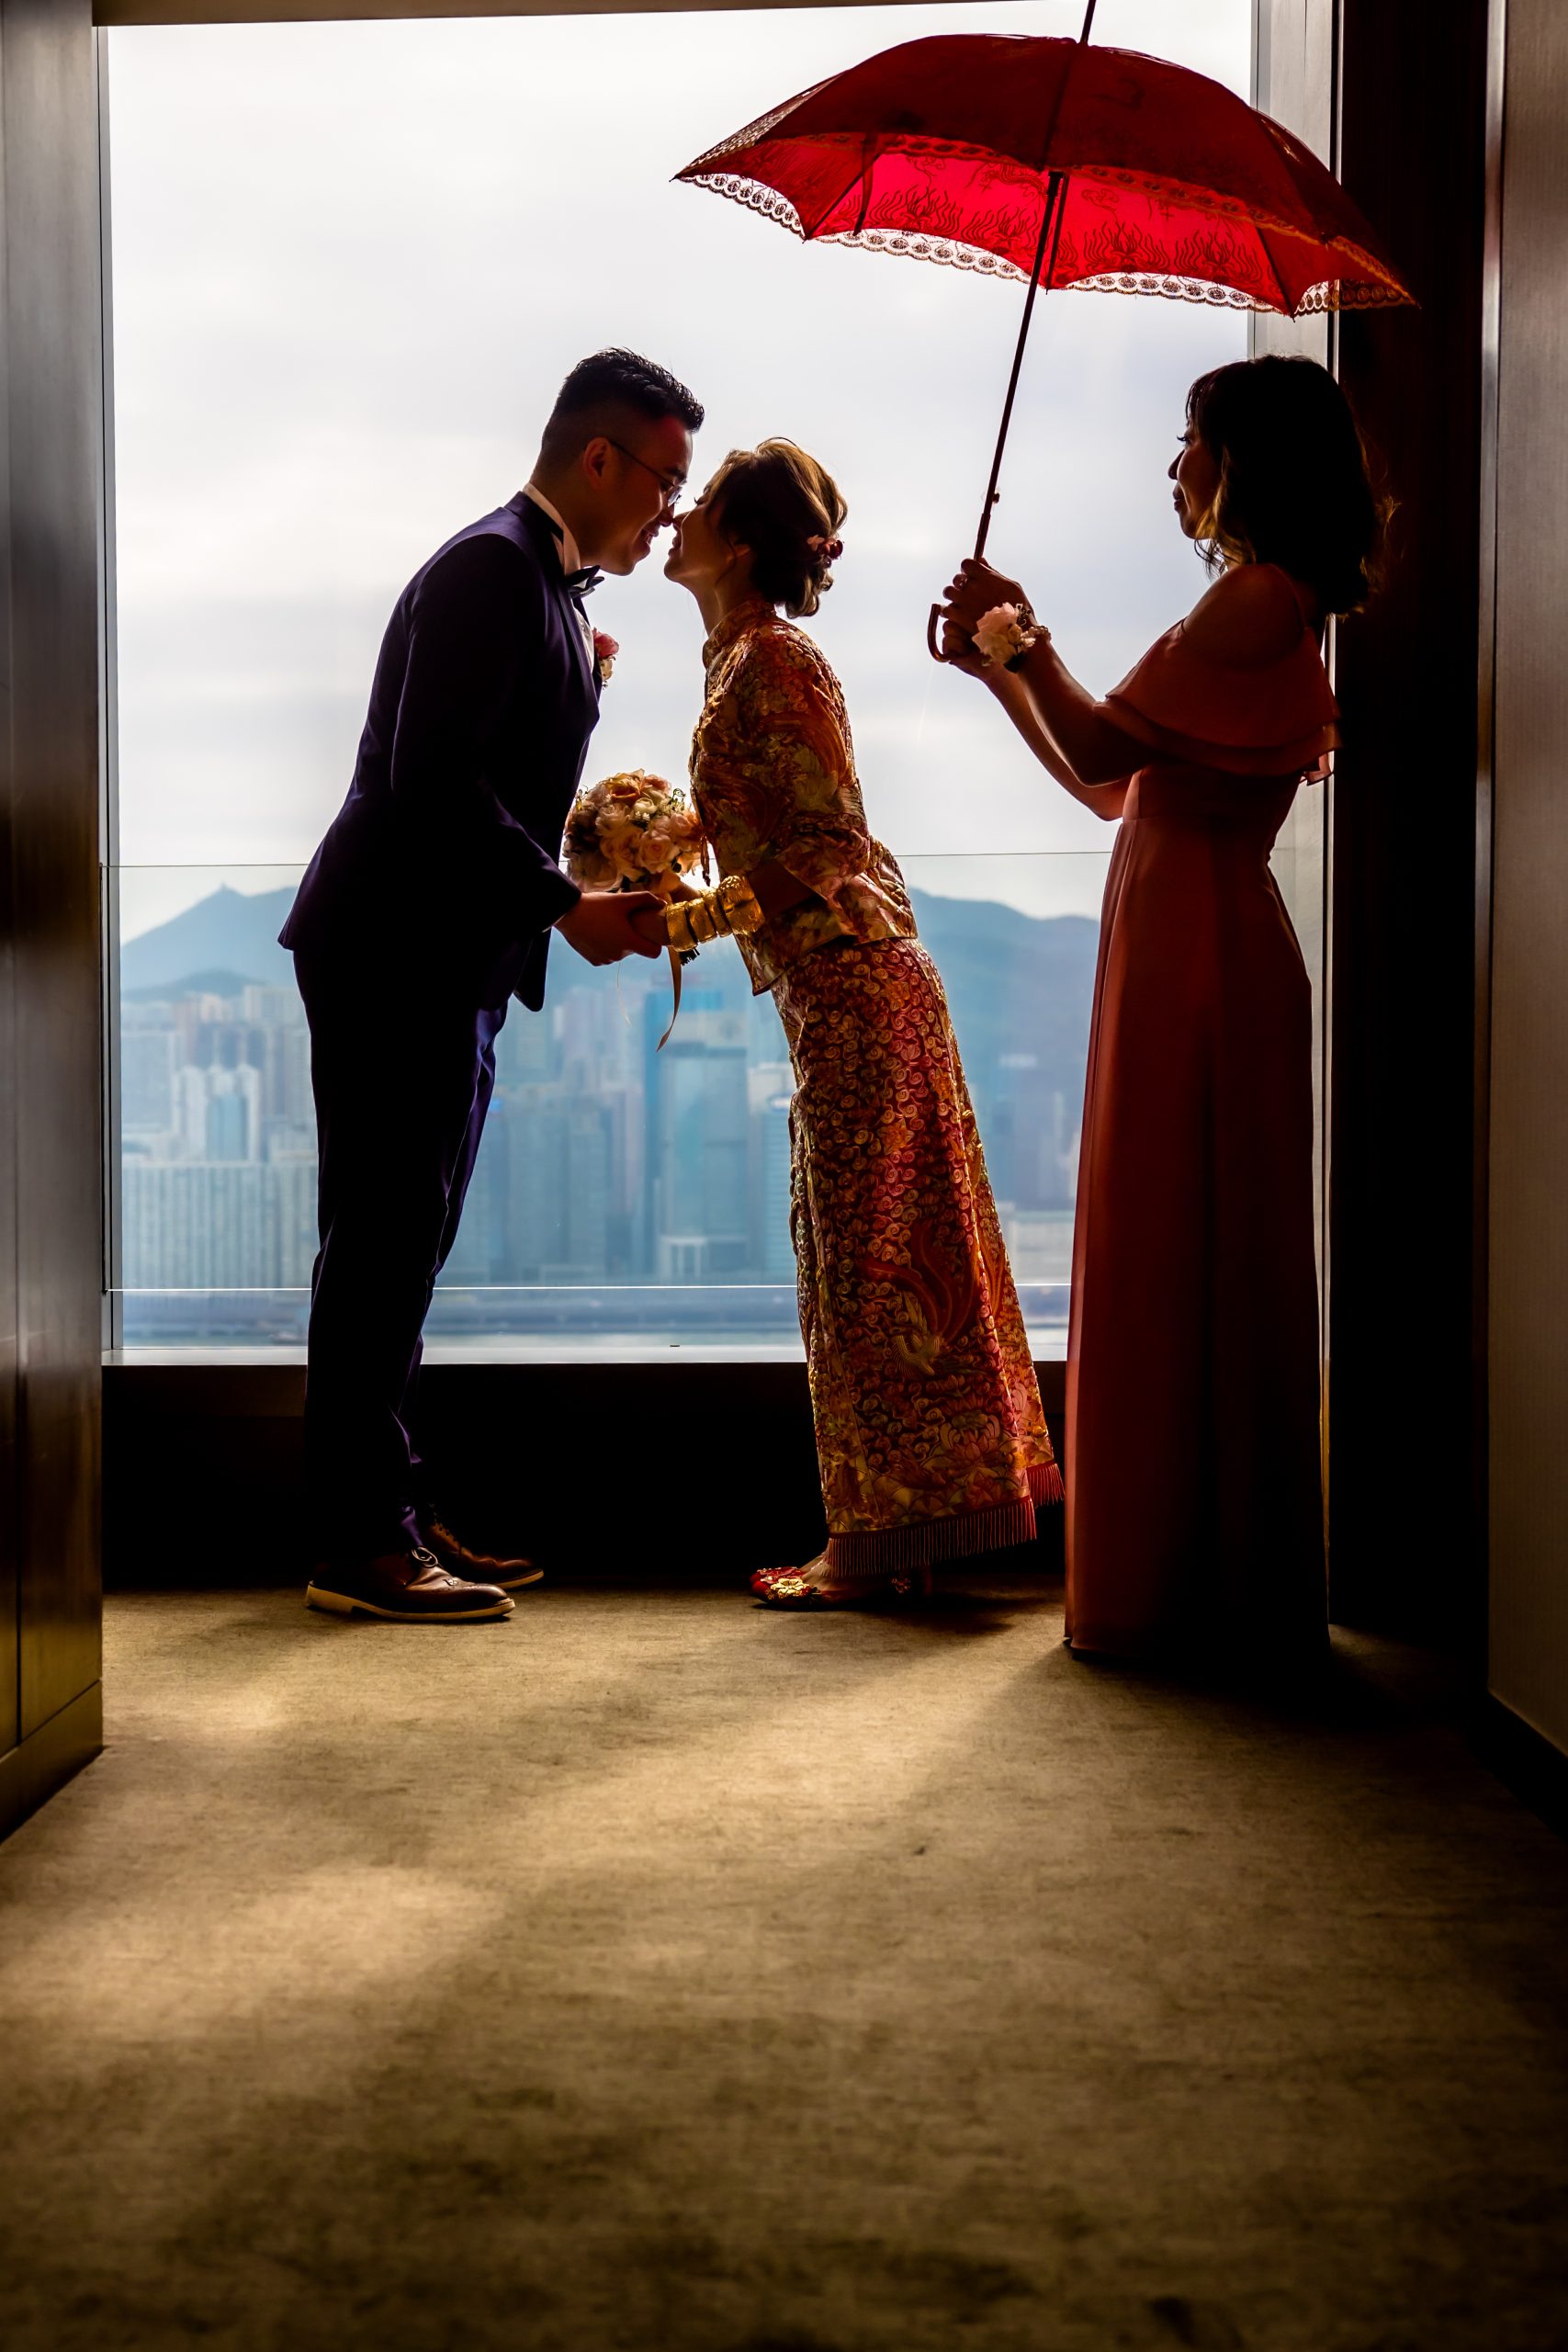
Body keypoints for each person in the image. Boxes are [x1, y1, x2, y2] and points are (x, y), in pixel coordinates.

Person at [938, 352, 1386, 1668]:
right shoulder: (1265, 603)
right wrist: (1003, 665)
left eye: (1191, 436)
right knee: (1180, 1243)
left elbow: (1097, 749)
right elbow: (1110, 788)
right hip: (1183, 942)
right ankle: (1198, 1576)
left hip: (1195, 959)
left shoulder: (1253, 598)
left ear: (1244, 462)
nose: (1174, 463)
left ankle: (1176, 1585)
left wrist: (1019, 637)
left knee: (1171, 1240)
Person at [280, 349, 702, 1623]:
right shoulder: (492, 568)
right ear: (598, 459)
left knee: (402, 1246)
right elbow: (431, 780)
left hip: (438, 954)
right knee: (382, 1247)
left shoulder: (540, 583)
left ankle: (387, 1510)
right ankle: (359, 1542)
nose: (670, 510)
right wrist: (564, 903)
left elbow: (492, 772)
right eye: (664, 480)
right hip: (394, 950)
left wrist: (593, 846)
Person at [652, 439, 1061, 1608]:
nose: (677, 517)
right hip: (843, 991)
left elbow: (828, 843)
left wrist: (695, 919)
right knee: (872, 1260)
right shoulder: (742, 662)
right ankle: (905, 1534)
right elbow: (778, 824)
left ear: (739, 543)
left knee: (864, 1269)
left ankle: (874, 1543)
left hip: (856, 989)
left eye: (701, 504)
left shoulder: (774, 658)